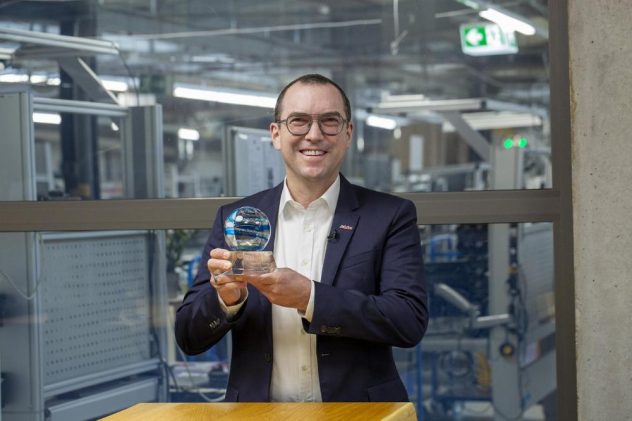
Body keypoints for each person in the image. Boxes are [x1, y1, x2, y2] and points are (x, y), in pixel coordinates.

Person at [175, 74, 428, 402]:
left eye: (330, 121)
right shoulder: (238, 219)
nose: (314, 134)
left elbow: (408, 320)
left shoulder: (388, 216)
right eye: (298, 121)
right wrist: (227, 301)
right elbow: (188, 337)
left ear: (348, 133)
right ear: (276, 134)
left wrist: (310, 297)